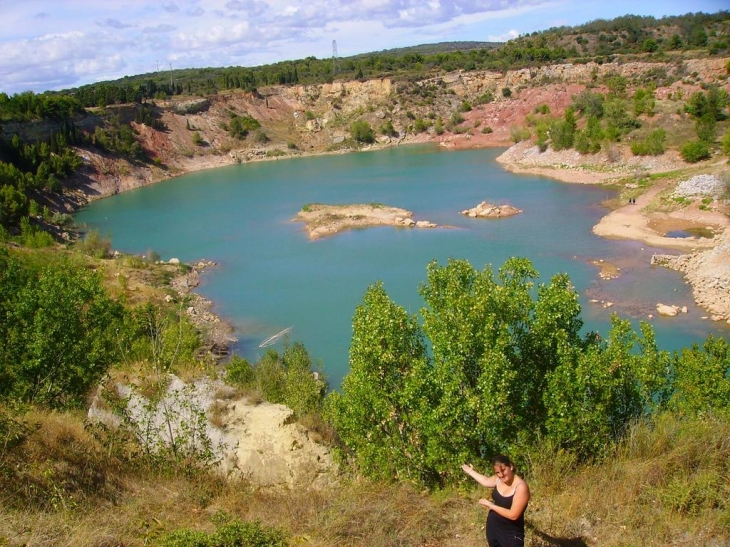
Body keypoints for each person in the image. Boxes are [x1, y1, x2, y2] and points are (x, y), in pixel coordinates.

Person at [462, 455, 530, 547]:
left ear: (510, 466)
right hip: (493, 529)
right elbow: (485, 481)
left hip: (511, 534)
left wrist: (491, 505)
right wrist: (470, 471)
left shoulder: (521, 487)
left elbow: (513, 515)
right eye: (497, 472)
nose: (501, 475)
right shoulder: (498, 479)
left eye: (503, 470)